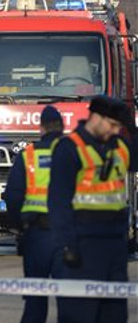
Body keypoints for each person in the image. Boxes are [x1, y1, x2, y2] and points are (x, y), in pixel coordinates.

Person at [48, 96, 138, 323]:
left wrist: (133, 128)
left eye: (119, 126)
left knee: (114, 316)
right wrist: (67, 245)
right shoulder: (69, 149)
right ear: (96, 117)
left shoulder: (119, 147)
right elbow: (58, 202)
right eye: (112, 124)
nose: (115, 130)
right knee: (80, 315)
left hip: (115, 247)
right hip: (82, 246)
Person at [3, 105, 64, 323]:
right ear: (62, 127)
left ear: (42, 128)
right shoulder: (75, 152)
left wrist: (18, 226)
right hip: (68, 236)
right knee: (70, 301)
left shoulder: (29, 155)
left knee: (35, 302)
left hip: (38, 235)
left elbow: (12, 196)